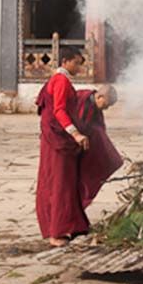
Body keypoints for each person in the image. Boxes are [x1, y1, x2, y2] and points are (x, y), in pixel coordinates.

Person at [35, 47, 91, 246]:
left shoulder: (64, 80)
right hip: (57, 140)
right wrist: (75, 133)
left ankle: (73, 225)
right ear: (65, 62)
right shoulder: (60, 80)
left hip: (59, 139)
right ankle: (55, 232)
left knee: (67, 181)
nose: (78, 67)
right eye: (76, 63)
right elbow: (59, 110)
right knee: (58, 183)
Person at [76, 84, 124, 208]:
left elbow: (99, 129)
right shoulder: (81, 100)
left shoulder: (95, 107)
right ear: (100, 97)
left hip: (88, 145)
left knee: (112, 160)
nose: (106, 108)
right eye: (106, 104)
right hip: (76, 144)